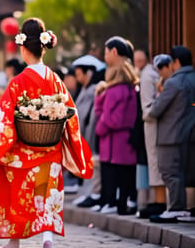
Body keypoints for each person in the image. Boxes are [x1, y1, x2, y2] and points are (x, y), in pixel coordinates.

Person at [0, 18, 93, 248]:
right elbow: (71, 113)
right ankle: (47, 238)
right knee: (46, 192)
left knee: (13, 186)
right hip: (50, 149)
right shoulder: (56, 79)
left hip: (23, 151)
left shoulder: (18, 81)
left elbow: (2, 116)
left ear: (23, 48)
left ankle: (14, 241)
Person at [146, 46, 195, 223]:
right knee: (186, 172)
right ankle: (185, 209)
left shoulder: (174, 82)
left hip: (171, 133)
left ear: (176, 62)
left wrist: (149, 110)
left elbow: (157, 109)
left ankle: (176, 207)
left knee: (171, 173)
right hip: (190, 134)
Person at [93, 36, 139, 215]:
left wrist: (100, 127)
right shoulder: (129, 87)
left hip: (113, 139)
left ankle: (112, 203)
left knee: (114, 175)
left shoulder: (114, 90)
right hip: (123, 139)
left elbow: (111, 118)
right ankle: (117, 202)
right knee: (124, 176)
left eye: (106, 52)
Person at [138, 54, 171, 219]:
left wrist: (149, 112)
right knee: (155, 160)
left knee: (158, 161)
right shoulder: (151, 75)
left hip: (161, 125)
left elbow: (150, 109)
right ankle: (158, 202)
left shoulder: (150, 75)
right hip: (156, 124)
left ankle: (161, 202)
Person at [70, 55, 106, 208]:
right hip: (84, 132)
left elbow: (88, 114)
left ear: (88, 73)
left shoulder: (93, 90)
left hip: (91, 131)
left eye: (79, 74)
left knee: (93, 164)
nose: (77, 77)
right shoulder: (84, 89)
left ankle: (92, 193)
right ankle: (86, 192)